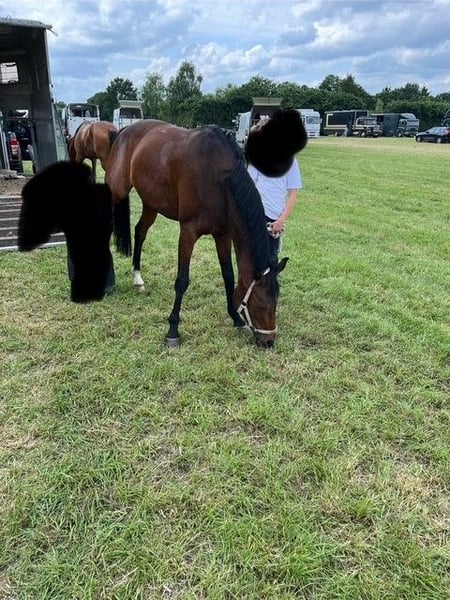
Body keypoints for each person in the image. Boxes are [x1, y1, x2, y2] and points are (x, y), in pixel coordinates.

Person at [248, 158, 303, 264]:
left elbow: (293, 195)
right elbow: (250, 184)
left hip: (274, 218)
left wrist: (280, 221)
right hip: (257, 213)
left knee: (271, 258)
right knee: (253, 254)